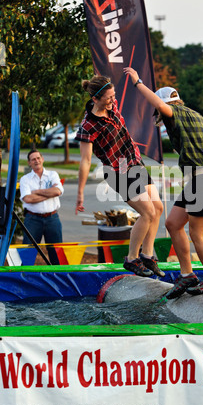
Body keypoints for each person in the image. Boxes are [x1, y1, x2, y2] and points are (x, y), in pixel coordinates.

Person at [124, 67, 203, 299]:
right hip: (202, 178)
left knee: (198, 233)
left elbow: (160, 105)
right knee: (172, 223)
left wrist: (138, 83)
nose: (158, 116)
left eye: (159, 111)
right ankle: (187, 274)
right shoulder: (196, 116)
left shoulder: (174, 114)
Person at [75, 74, 165, 278]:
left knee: (158, 208)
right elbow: (85, 161)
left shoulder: (112, 106)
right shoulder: (88, 126)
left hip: (134, 163)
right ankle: (132, 258)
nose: (112, 100)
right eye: (108, 97)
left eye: (113, 96)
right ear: (95, 99)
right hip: (118, 172)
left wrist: (136, 80)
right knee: (148, 213)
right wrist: (80, 193)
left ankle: (147, 255)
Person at [19, 150, 64, 264]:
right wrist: (49, 194)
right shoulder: (25, 179)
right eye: (33, 159)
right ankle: (25, 278)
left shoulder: (52, 175)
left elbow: (58, 191)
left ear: (42, 159)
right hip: (33, 220)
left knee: (56, 253)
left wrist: (37, 192)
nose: (36, 161)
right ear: (29, 163)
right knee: (28, 253)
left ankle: (57, 278)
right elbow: (28, 199)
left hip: (52, 219)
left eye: (38, 158)